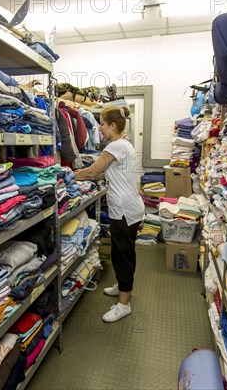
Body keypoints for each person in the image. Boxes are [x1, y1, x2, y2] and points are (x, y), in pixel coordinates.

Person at [74, 106, 144, 323]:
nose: (99, 128)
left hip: (123, 211)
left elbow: (94, 170)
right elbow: (106, 172)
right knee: (126, 252)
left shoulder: (114, 146)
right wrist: (85, 175)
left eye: (102, 124)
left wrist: (69, 175)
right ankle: (124, 288)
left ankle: (124, 304)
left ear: (112, 126)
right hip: (132, 208)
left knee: (121, 256)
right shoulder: (126, 145)